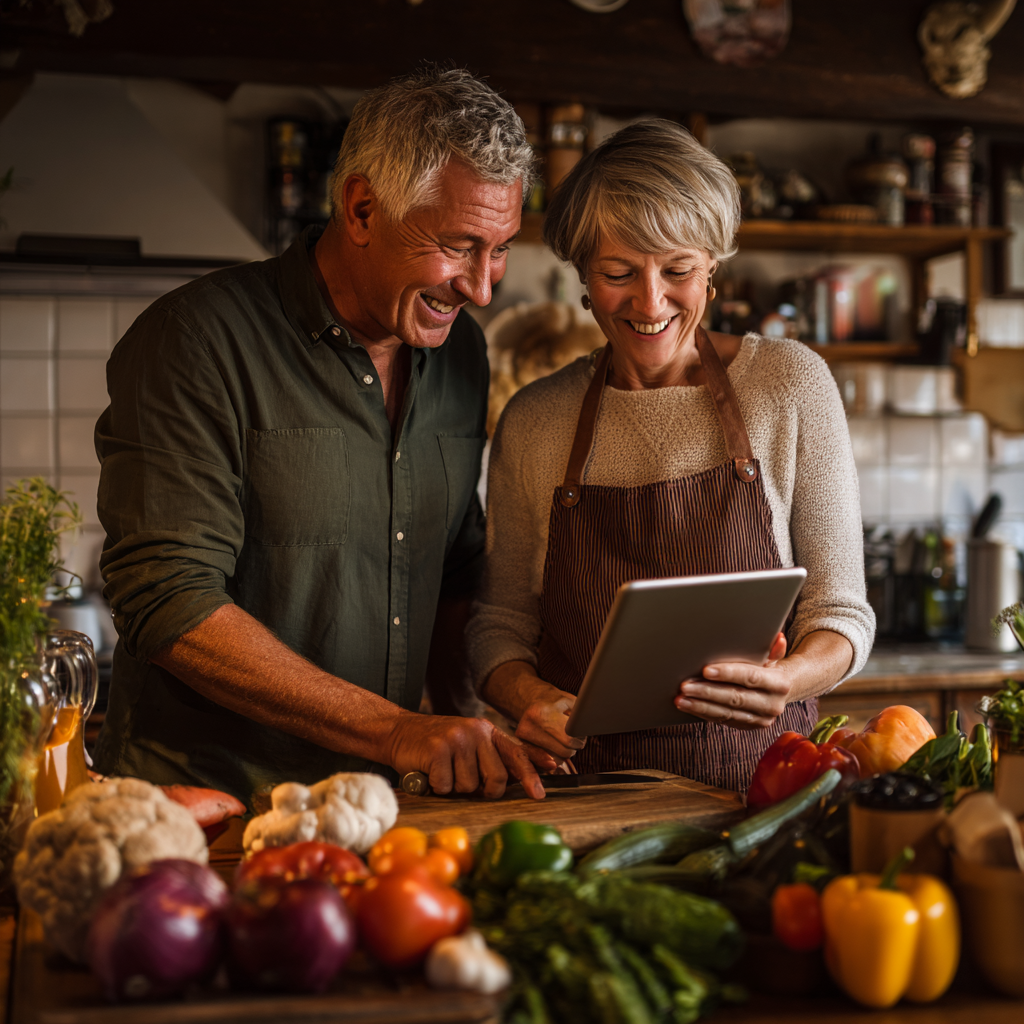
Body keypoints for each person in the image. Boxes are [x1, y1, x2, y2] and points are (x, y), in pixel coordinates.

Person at [93, 67, 554, 803]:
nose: (482, 287)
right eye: (459, 245)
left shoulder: (459, 351)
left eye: (498, 249)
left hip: (386, 809)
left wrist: (486, 714)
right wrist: (398, 730)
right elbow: (168, 599)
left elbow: (453, 565)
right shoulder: (194, 341)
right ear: (363, 208)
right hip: (211, 813)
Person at [467, 119, 876, 793]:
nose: (650, 303)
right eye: (618, 273)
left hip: (766, 792)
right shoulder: (536, 420)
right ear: (582, 276)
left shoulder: (790, 385)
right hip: (582, 799)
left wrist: (788, 680)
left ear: (712, 266)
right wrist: (526, 700)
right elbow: (499, 626)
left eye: (678, 270)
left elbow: (840, 613)